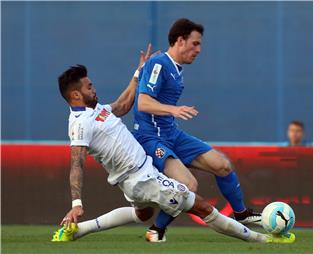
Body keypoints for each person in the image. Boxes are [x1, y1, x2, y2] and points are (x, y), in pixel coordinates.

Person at [51, 49, 294, 244]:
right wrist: (76, 204)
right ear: (75, 95)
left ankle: (78, 230)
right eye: (88, 87)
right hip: (141, 179)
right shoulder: (80, 124)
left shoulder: (97, 111)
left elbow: (123, 104)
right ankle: (263, 240)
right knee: (202, 206)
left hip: (136, 178)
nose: (94, 89)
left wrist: (138, 73)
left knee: (142, 214)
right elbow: (76, 164)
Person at [133, 18, 261, 242]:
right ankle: (156, 230)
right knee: (189, 184)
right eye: (195, 44)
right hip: (151, 139)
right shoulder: (159, 64)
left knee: (222, 165)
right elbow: (143, 102)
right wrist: (173, 109)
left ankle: (241, 214)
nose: (199, 50)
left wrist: (171, 114)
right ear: (180, 41)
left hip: (172, 134)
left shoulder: (176, 69)